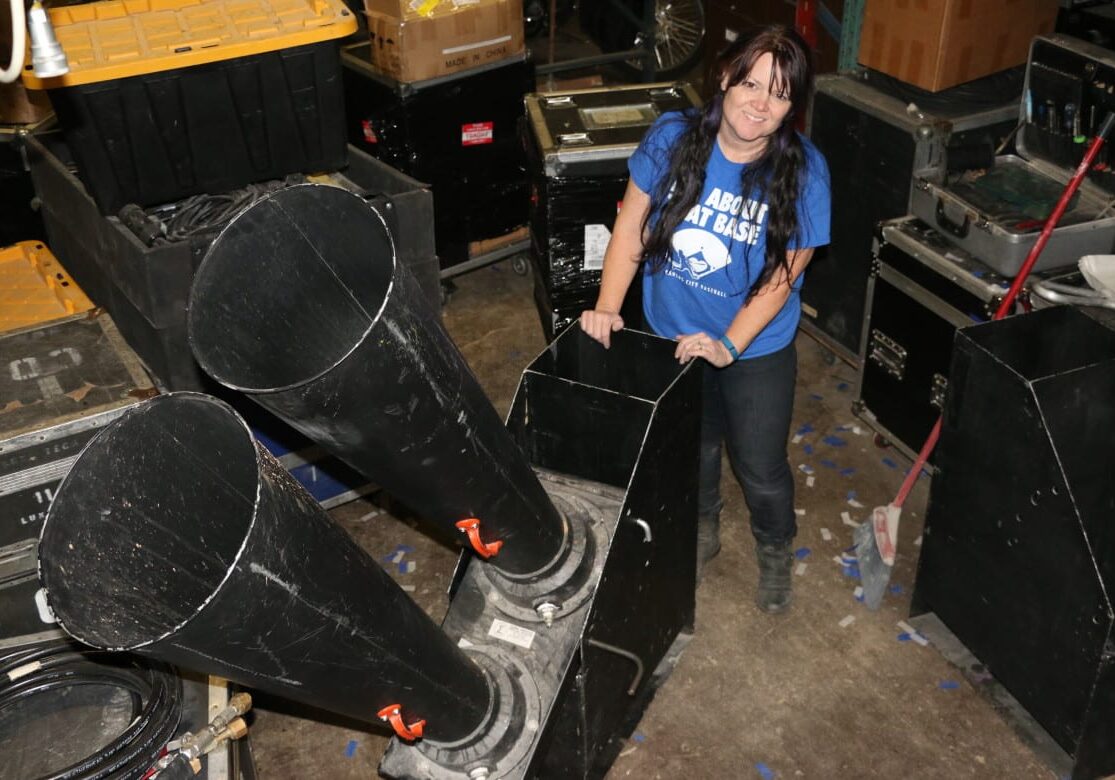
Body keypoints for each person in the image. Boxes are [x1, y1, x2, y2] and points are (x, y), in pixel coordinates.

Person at [579, 25, 831, 614]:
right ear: (724, 77)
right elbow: (631, 228)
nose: (760, 104)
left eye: (779, 94)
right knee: (695, 449)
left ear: (793, 107)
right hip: (671, 333)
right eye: (750, 83)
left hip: (755, 346)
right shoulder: (673, 137)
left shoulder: (805, 172)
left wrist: (728, 345)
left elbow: (782, 278)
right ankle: (702, 530)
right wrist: (609, 307)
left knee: (760, 467)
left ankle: (774, 547)